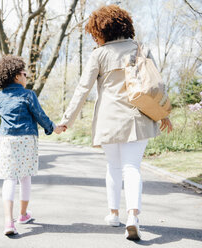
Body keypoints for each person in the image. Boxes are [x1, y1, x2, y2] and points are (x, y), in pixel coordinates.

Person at [59, 5, 173, 240]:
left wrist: (66, 121)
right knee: (132, 167)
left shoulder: (99, 54)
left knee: (113, 167)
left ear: (100, 30)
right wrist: (163, 113)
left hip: (108, 119)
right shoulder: (141, 48)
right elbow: (155, 86)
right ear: (124, 25)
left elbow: (83, 90)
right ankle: (133, 216)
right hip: (138, 116)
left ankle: (113, 214)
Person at [0, 55, 66, 236]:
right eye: (25, 74)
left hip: (6, 140)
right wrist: (53, 128)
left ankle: (9, 222)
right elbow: (40, 115)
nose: (27, 77)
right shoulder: (28, 95)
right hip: (26, 139)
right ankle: (22, 214)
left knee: (9, 179)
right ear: (16, 76)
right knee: (25, 177)